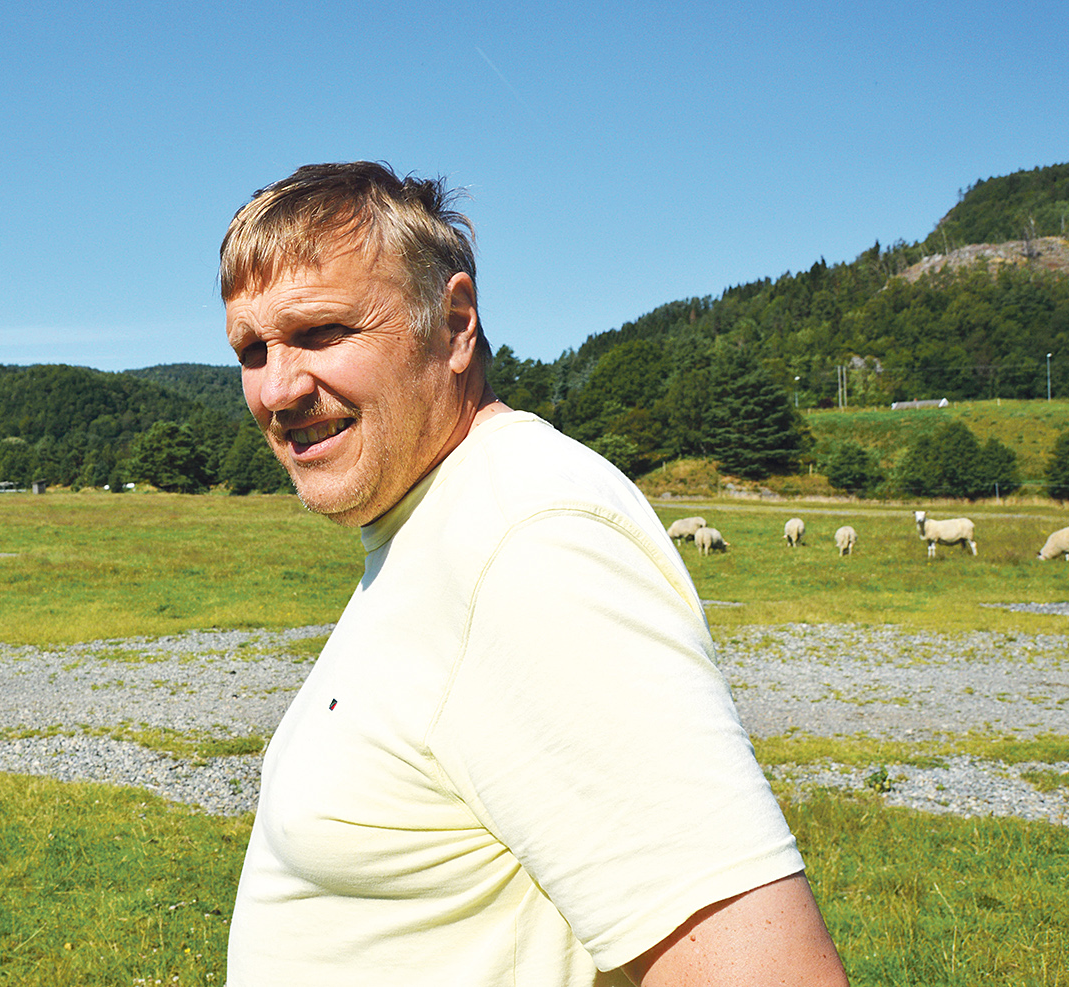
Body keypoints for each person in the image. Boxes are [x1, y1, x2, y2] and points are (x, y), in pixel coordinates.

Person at [218, 161, 848, 986]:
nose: (277, 389)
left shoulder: (528, 542)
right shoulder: (438, 521)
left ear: (454, 325)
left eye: (322, 332)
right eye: (251, 350)